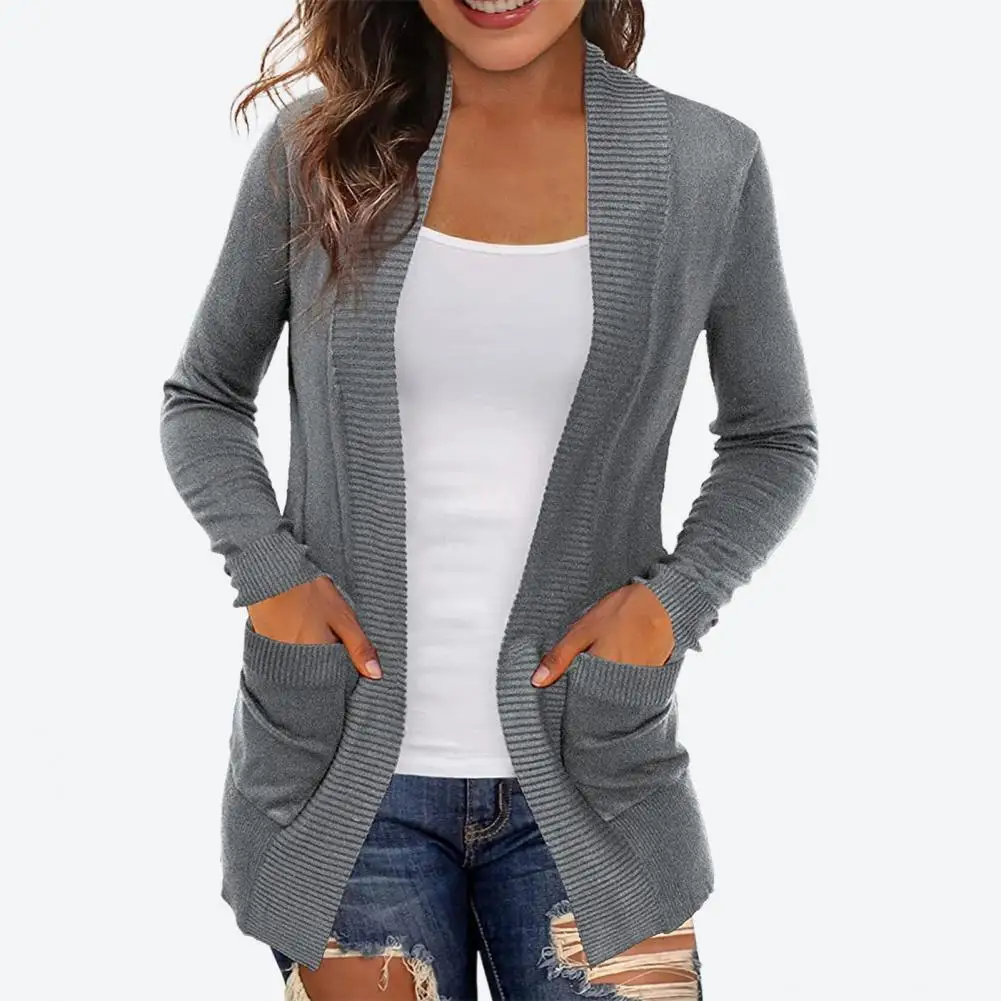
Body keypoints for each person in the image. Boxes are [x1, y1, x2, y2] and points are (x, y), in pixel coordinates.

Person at [159, 1, 818, 997]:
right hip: (343, 780)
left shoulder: (703, 164)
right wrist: (272, 577)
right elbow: (204, 398)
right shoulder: (320, 149)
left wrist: (670, 607)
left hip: (594, 778)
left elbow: (772, 439)